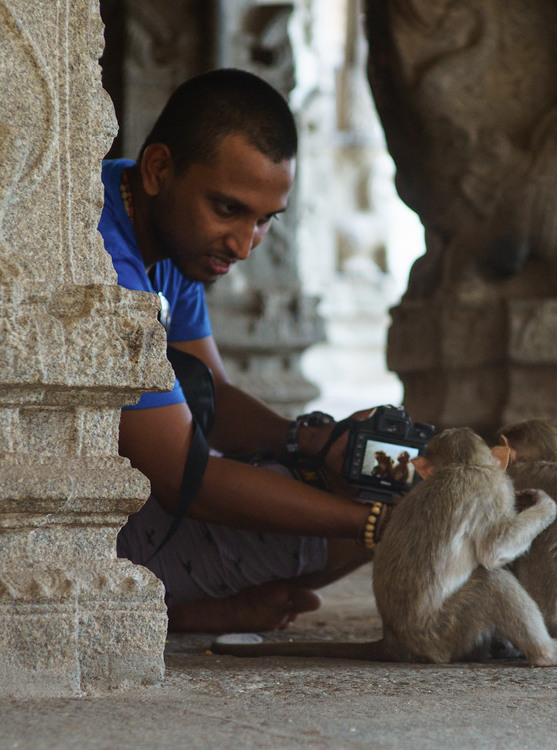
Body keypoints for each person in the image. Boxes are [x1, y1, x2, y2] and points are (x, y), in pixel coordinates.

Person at [99, 68, 378, 634]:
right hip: (80, 525)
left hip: (157, 491)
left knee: (369, 475)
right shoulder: (102, 255)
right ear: (158, 170)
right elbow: (185, 476)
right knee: (363, 510)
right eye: (228, 209)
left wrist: (311, 440)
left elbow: (215, 398)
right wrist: (377, 523)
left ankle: (183, 608)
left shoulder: (169, 244)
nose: (245, 245)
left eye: (265, 221)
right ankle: (171, 611)